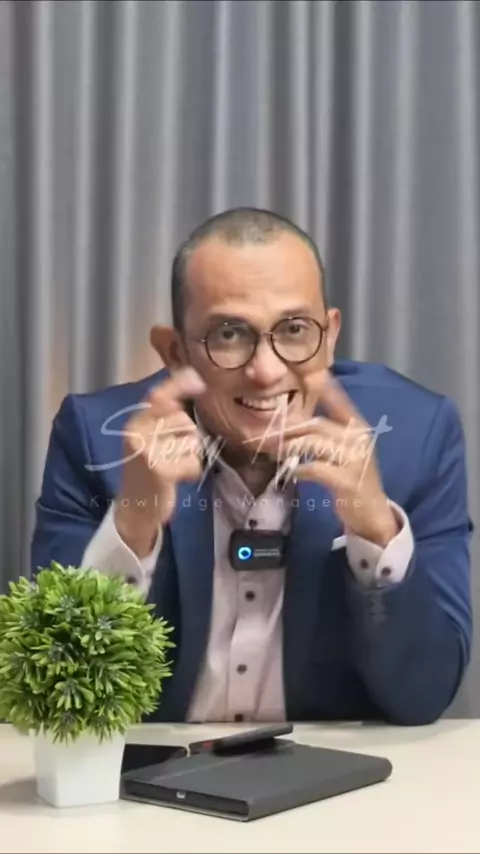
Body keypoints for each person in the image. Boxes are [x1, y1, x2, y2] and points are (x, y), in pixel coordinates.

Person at [31, 207, 473, 726]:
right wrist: (134, 519)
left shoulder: (418, 437)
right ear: (175, 352)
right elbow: (58, 696)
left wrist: (375, 530)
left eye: (294, 329)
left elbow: (425, 695)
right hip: (154, 768)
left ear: (330, 335)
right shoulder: (96, 438)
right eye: (229, 334)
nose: (266, 371)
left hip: (333, 769)